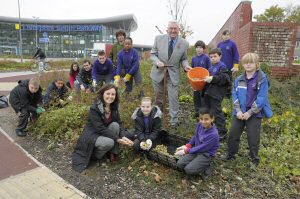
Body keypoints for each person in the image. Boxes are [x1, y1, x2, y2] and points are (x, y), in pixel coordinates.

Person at [72, 84, 133, 173]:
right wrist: (118, 139)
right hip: (93, 134)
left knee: (115, 125)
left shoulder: (114, 107)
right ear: (103, 94)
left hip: (104, 132)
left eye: (113, 94)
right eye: (108, 93)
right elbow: (100, 128)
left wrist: (123, 136)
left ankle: (112, 153)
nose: (110, 96)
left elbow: (119, 123)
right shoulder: (95, 108)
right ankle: (95, 156)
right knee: (110, 142)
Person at [225, 53, 273, 166]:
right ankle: (231, 155)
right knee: (233, 134)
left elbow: (262, 98)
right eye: (246, 62)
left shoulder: (262, 79)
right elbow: (235, 95)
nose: (248, 64)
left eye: (251, 62)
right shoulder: (239, 79)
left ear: (257, 64)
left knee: (253, 138)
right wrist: (238, 111)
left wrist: (250, 112)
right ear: (243, 64)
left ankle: (254, 160)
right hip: (240, 112)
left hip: (254, 113)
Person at [150, 20, 191, 128]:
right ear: (167, 29)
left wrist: (186, 66)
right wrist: (157, 62)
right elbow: (153, 54)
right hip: (158, 72)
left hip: (173, 74)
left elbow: (184, 59)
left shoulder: (184, 43)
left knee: (173, 98)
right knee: (159, 98)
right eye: (171, 28)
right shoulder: (158, 39)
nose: (173, 30)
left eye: (175, 28)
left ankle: (174, 122)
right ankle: (158, 118)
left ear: (179, 30)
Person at [175, 108, 219, 179]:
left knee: (188, 169)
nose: (203, 122)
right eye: (201, 119)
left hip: (206, 154)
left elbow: (202, 148)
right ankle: (197, 163)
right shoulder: (200, 124)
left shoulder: (213, 134)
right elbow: (196, 136)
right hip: (196, 150)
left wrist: (186, 150)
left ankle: (207, 165)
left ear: (212, 119)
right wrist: (188, 145)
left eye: (206, 119)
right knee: (180, 164)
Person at [203, 48, 230, 140]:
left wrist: (213, 79)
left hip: (216, 94)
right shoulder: (210, 68)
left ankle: (222, 132)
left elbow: (225, 78)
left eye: (215, 56)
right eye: (211, 57)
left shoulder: (222, 67)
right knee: (208, 111)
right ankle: (209, 128)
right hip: (208, 93)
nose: (213, 58)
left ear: (220, 56)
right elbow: (207, 81)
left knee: (217, 112)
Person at [191, 40, 212, 118]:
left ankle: (203, 114)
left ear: (203, 49)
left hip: (204, 82)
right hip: (196, 82)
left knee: (203, 98)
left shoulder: (206, 58)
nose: (199, 49)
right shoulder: (194, 58)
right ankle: (197, 112)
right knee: (196, 98)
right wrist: (192, 82)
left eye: (200, 47)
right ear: (195, 49)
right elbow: (192, 70)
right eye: (197, 47)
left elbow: (209, 70)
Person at [217, 30, 240, 98]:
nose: (226, 36)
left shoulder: (232, 44)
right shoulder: (219, 45)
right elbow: (216, 55)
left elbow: (236, 55)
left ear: (230, 35)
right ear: (222, 36)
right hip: (220, 67)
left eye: (228, 35)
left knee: (228, 82)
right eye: (224, 35)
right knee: (220, 81)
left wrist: (236, 66)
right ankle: (220, 95)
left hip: (229, 67)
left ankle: (228, 97)